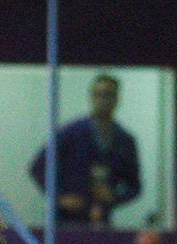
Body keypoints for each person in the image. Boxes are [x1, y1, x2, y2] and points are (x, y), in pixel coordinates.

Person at [29, 73, 140, 226]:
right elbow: (38, 167)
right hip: (66, 222)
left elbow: (135, 186)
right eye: (98, 94)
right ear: (91, 97)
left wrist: (114, 196)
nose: (103, 100)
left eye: (108, 95)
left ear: (117, 99)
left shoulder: (124, 140)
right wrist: (59, 197)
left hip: (101, 221)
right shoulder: (71, 133)